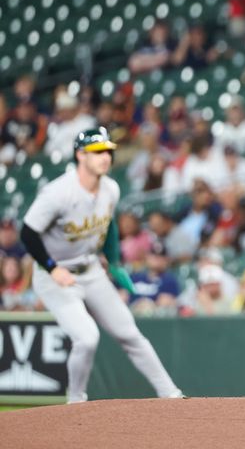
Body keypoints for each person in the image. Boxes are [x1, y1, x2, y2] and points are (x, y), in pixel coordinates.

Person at [19, 128, 183, 403]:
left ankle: (171, 394)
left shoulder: (111, 189)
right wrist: (51, 267)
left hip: (91, 270)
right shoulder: (58, 192)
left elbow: (109, 227)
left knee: (130, 334)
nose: (105, 157)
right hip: (56, 277)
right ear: (80, 155)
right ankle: (76, 400)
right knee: (87, 338)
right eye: (97, 152)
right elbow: (28, 233)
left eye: (107, 151)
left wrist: (115, 262)